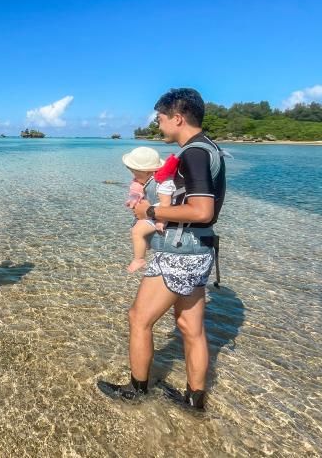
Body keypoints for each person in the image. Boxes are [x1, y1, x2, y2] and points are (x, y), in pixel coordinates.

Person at [99, 88, 226, 410]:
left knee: (138, 319)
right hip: (200, 250)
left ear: (178, 118)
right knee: (189, 327)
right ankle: (194, 401)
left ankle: (136, 391)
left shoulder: (193, 153)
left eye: (160, 118)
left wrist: (149, 213)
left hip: (180, 251)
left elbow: (201, 211)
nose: (158, 124)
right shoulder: (210, 149)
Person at [121, 147, 175, 273]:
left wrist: (161, 220)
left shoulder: (163, 183)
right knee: (136, 228)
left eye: (135, 173)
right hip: (154, 214)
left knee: (136, 232)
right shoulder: (150, 180)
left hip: (159, 215)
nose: (133, 176)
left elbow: (166, 203)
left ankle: (139, 259)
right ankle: (145, 246)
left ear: (146, 172)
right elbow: (140, 192)